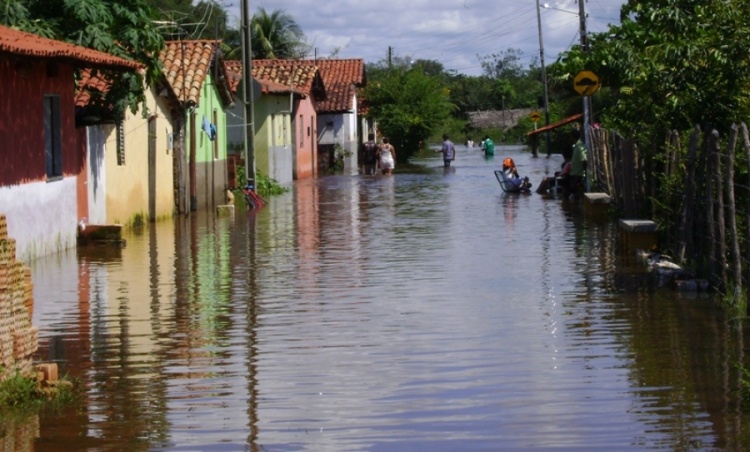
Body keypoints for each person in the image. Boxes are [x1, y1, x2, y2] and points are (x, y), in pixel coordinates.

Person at [567, 128, 587, 198]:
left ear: (572, 137)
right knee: (572, 195)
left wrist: (582, 175)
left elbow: (584, 160)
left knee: (574, 196)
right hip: (574, 174)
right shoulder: (576, 146)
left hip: (577, 175)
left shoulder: (580, 147)